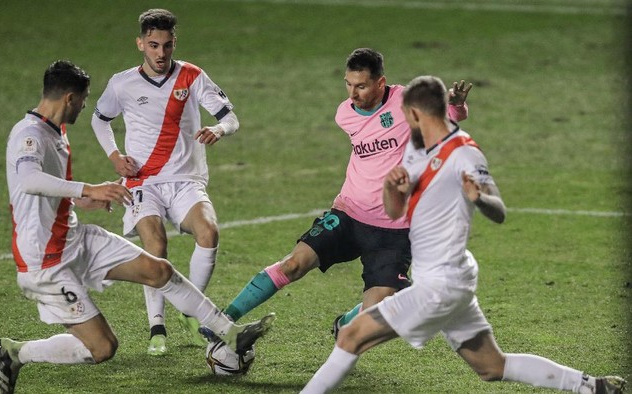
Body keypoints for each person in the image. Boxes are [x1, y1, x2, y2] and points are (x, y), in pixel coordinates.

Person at [300, 75, 626, 394]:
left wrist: (480, 198)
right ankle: (590, 386)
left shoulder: (464, 153)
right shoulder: (417, 149)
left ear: (416, 113)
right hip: (446, 277)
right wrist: (393, 189)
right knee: (491, 366)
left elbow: (498, 210)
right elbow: (396, 211)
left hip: (441, 284)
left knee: (350, 336)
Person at [0, 60, 274, 394]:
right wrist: (88, 189)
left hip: (75, 239)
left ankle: (229, 331)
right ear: (70, 98)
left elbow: (45, 191)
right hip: (45, 261)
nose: (85, 107)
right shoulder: (30, 134)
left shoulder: (56, 134)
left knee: (159, 271)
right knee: (102, 348)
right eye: (83, 100)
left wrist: (81, 201)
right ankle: (15, 352)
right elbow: (27, 180)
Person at [214, 48, 471, 335]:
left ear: (380, 83)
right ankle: (219, 322)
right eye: (348, 84)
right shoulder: (344, 114)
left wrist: (458, 105)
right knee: (293, 264)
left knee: (380, 310)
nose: (353, 94)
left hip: (395, 230)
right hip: (350, 213)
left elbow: (448, 116)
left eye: (361, 86)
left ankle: (344, 326)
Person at [91, 8, 239, 354]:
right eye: (153, 45)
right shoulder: (122, 83)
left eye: (167, 46)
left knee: (209, 232)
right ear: (140, 43)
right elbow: (100, 121)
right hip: (144, 182)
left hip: (186, 179)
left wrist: (218, 129)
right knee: (155, 246)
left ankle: (191, 311)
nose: (160, 54)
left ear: (175, 44)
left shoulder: (192, 76)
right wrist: (114, 157)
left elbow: (230, 117)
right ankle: (157, 327)